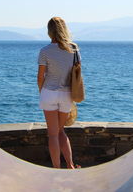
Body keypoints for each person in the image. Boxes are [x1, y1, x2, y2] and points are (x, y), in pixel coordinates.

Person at [37, 17, 80, 169]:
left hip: (49, 92)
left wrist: (42, 92)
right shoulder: (74, 49)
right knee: (61, 131)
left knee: (53, 134)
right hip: (66, 94)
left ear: (50, 31)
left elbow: (40, 77)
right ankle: (70, 165)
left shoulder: (44, 51)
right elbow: (77, 73)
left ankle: (56, 169)